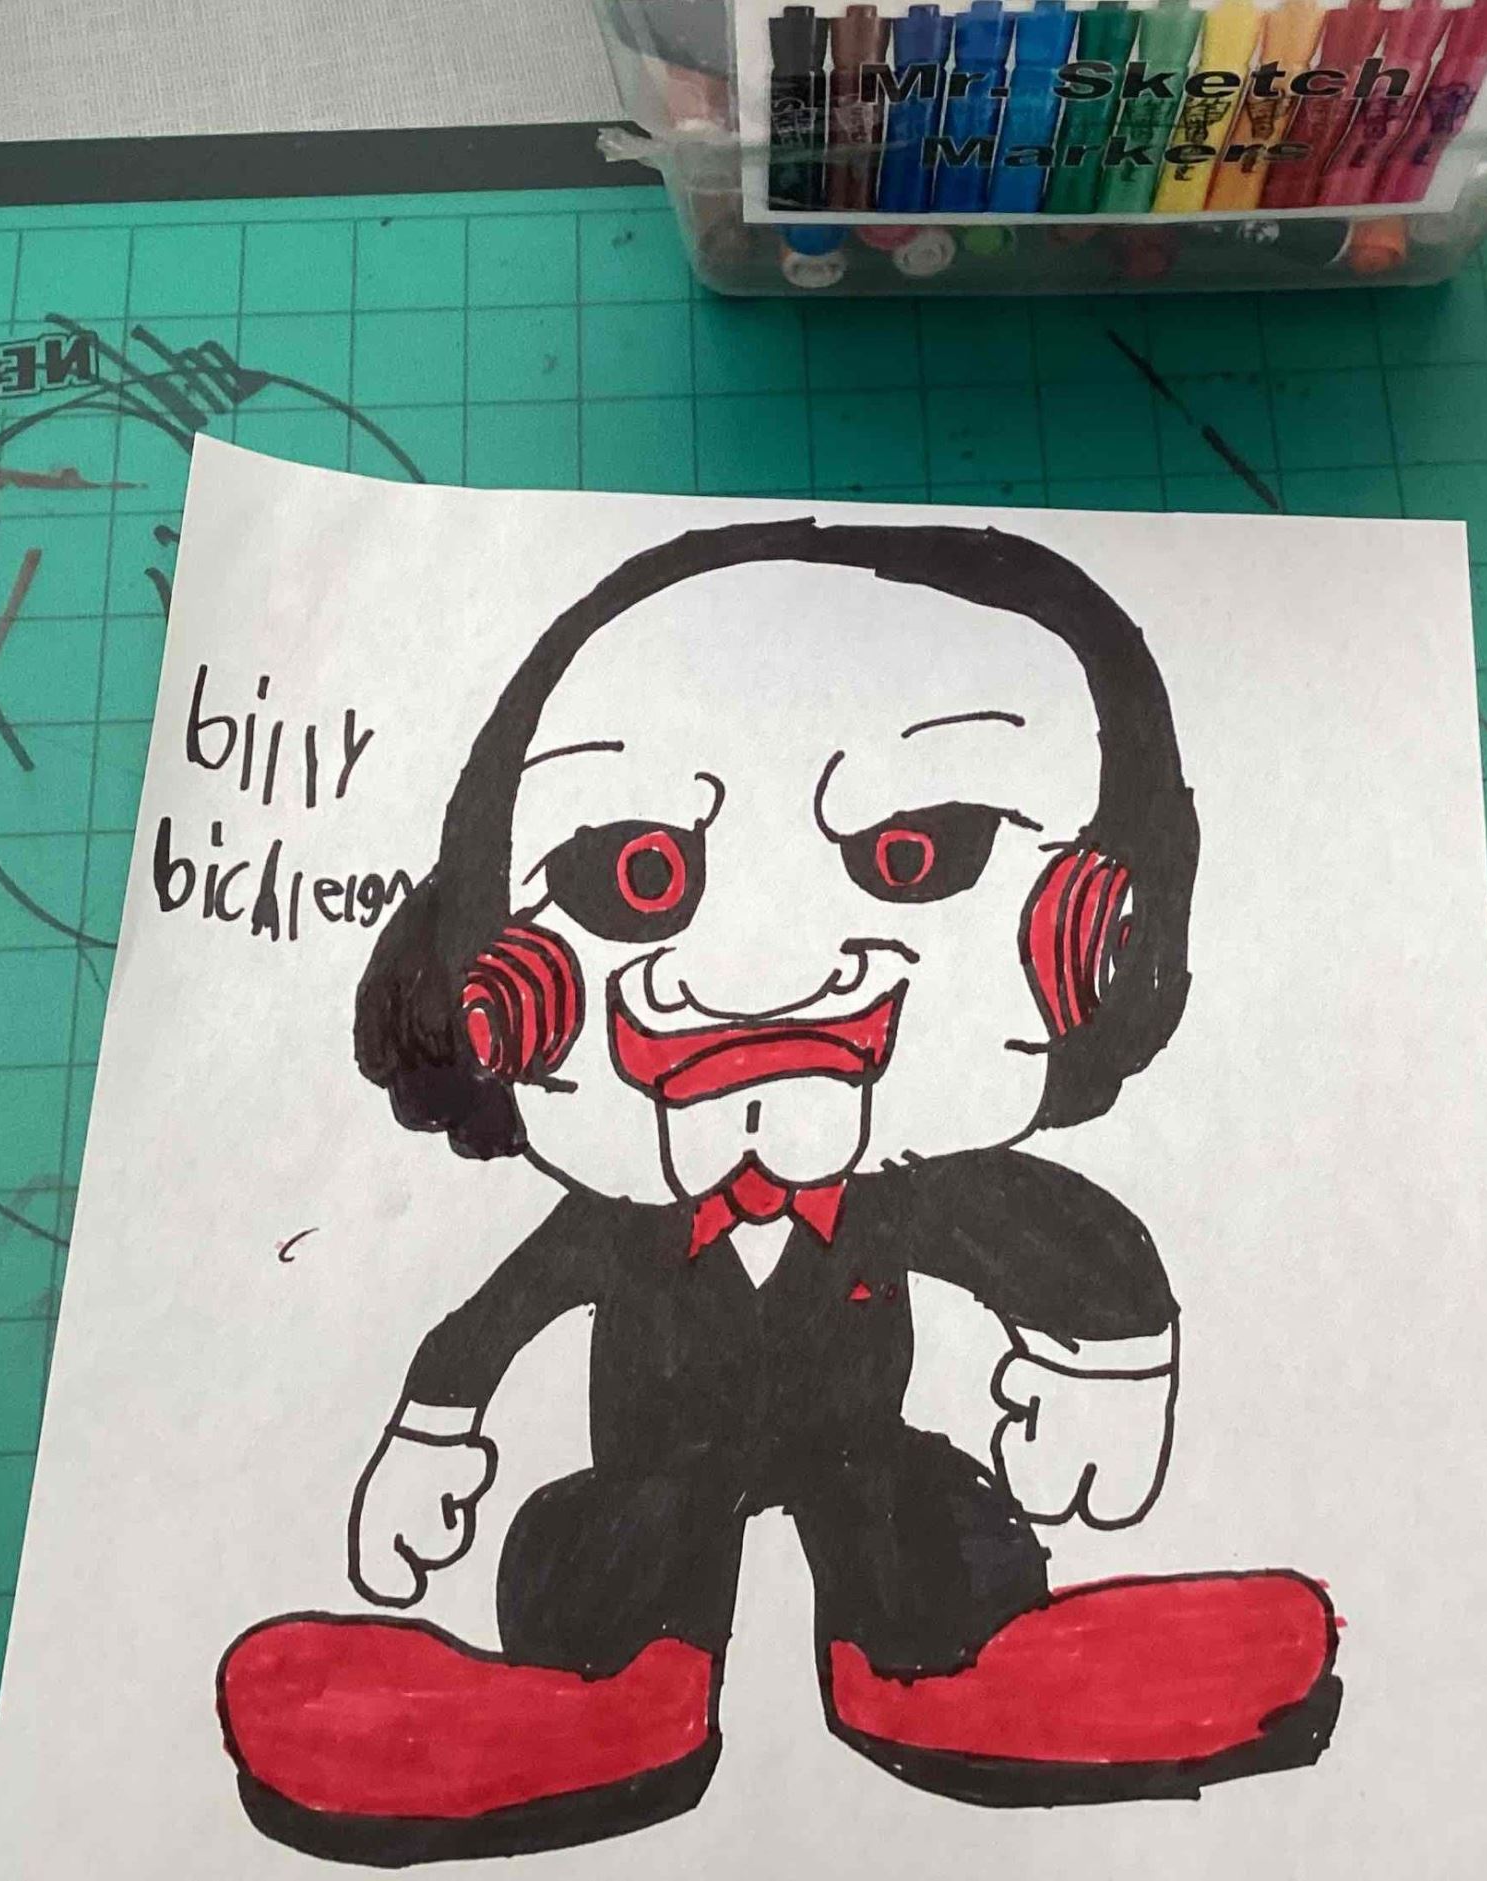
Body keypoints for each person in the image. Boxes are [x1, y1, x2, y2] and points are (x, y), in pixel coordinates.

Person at [217, 519, 1339, 1865]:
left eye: (914, 852)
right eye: (637, 873)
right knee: (610, 1542)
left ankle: (950, 1666)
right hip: (655, 1463)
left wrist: (1112, 1365)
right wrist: (434, 1432)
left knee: (920, 1516)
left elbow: (1054, 1238)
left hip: (855, 1443)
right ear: (494, 974)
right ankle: (598, 1696)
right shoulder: (619, 1220)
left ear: (1096, 931)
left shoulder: (905, 1193)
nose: (769, 968)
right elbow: (498, 1313)